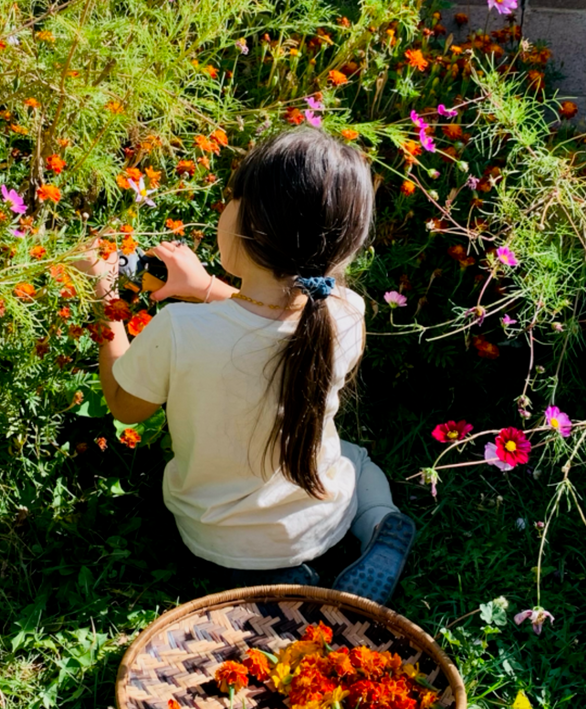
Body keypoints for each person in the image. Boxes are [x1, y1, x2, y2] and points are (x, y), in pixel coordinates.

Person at [75, 127, 416, 605]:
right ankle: (382, 522)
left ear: (249, 223)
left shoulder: (181, 330)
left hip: (214, 542)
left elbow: (123, 405)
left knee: (342, 458)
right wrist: (207, 286)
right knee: (356, 461)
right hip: (320, 524)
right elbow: (268, 322)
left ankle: (288, 576)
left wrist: (105, 299)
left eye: (232, 197)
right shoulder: (345, 312)